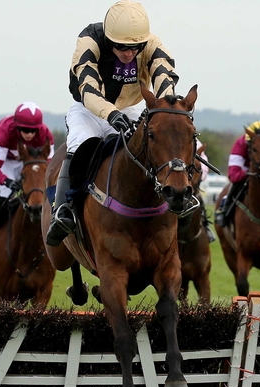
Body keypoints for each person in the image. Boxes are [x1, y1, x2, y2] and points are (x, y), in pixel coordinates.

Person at [45, 0, 180, 246]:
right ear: (109, 39)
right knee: (80, 142)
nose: (129, 54)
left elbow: (163, 73)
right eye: (121, 47)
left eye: (135, 48)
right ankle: (62, 209)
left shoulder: (151, 43)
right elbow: (88, 88)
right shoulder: (90, 40)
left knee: (153, 144)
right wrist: (110, 114)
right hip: (89, 110)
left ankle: (174, 202)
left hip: (130, 108)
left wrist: (165, 102)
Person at [0, 102, 55, 249]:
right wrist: (7, 181)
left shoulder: (45, 134)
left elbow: (50, 167)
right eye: (25, 130)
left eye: (33, 130)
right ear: (17, 126)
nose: (29, 134)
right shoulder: (4, 132)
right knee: (6, 191)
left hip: (30, 163)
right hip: (6, 162)